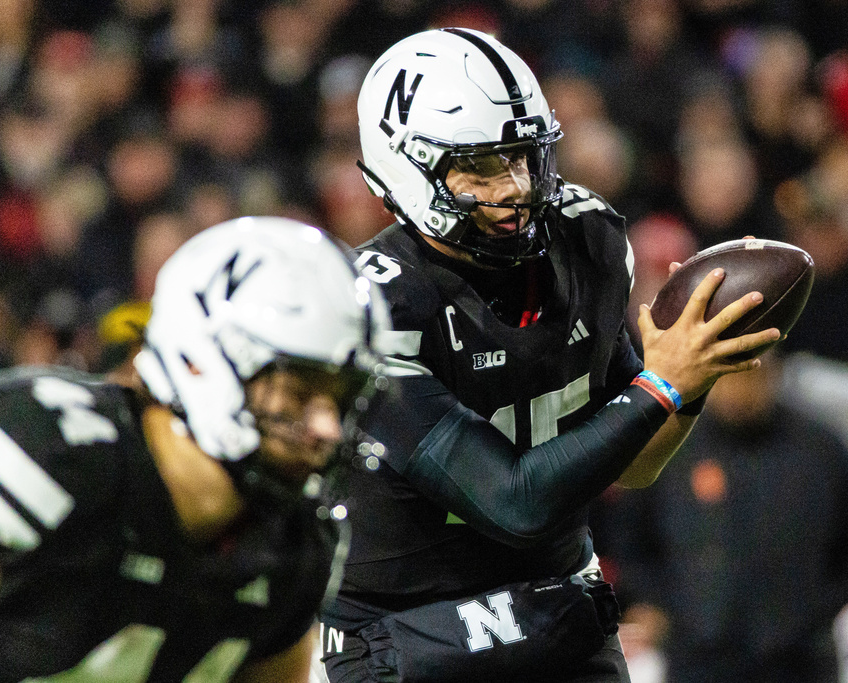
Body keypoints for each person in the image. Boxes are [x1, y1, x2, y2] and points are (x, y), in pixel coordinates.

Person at [314, 27, 781, 683]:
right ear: (404, 166)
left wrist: (694, 373)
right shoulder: (369, 308)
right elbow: (516, 500)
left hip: (555, 607)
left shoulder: (583, 241)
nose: (515, 186)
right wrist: (663, 387)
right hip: (410, 629)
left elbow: (639, 460)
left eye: (525, 156)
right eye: (481, 165)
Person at [0, 216, 390, 682]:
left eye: (340, 397)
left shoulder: (290, 546)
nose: (327, 427)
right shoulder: (52, 450)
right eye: (298, 391)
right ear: (201, 362)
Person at [590, 352, 848, 683]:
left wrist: (820, 612)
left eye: (752, 375)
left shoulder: (822, 450)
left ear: (775, 375)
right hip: (697, 661)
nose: (740, 389)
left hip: (801, 662)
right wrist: (661, 605)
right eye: (731, 375)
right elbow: (630, 542)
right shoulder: (673, 446)